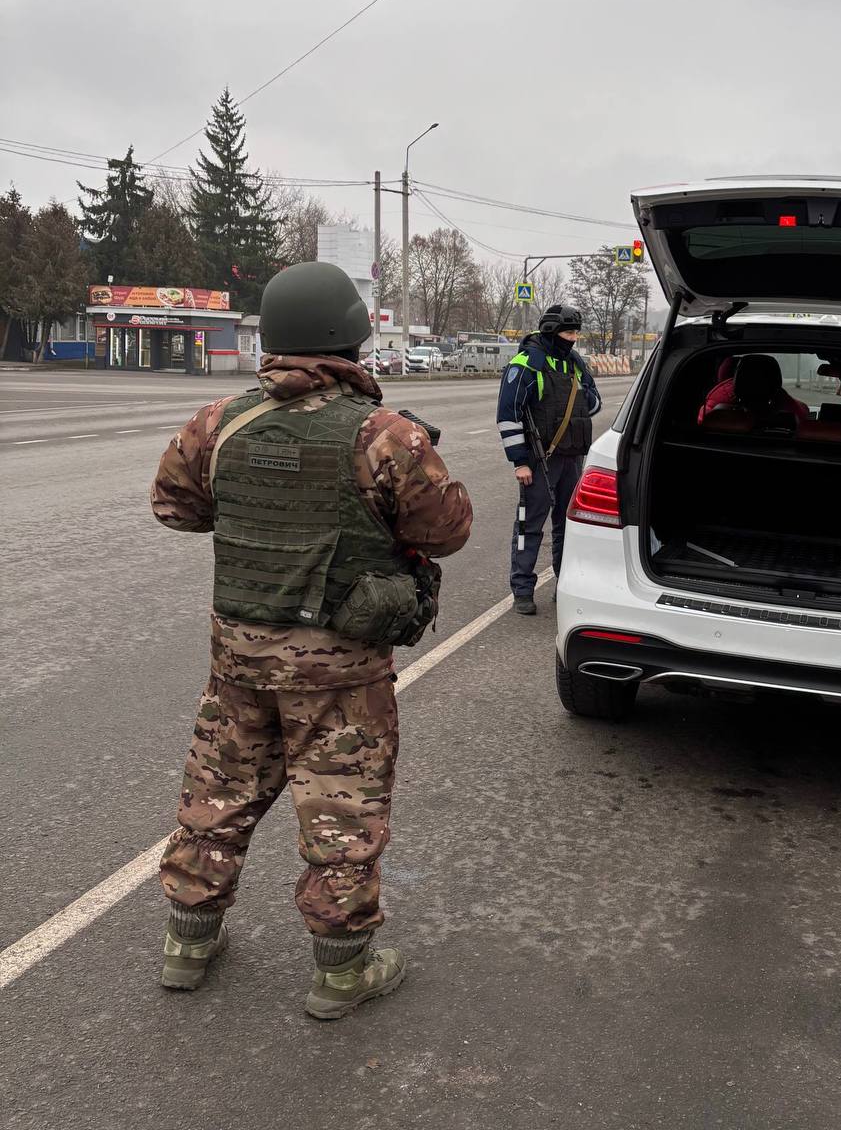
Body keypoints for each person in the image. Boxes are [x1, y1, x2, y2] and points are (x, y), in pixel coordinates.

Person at [149, 261, 472, 1019]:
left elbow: (176, 509)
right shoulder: (384, 435)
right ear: (350, 340)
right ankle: (341, 974)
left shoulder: (217, 422)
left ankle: (187, 947)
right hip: (341, 670)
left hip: (239, 657)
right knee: (341, 815)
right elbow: (448, 532)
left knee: (216, 797)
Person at [496, 304, 601, 615]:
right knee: (530, 525)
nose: (573, 339)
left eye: (576, 333)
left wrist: (579, 400)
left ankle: (564, 583)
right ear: (551, 332)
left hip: (572, 458)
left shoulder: (575, 363)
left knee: (568, 525)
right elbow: (508, 416)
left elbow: (594, 402)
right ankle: (522, 589)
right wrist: (520, 461)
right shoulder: (527, 364)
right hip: (540, 458)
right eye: (568, 333)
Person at [698, 354, 810, 424]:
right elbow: (800, 414)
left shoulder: (716, 406)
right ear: (775, 380)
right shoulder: (781, 399)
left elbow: (701, 425)